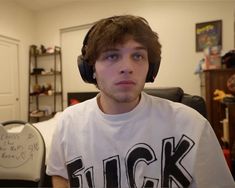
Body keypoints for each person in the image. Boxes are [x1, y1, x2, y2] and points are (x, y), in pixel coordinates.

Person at [46, 15, 235, 188]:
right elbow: (60, 176)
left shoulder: (192, 125)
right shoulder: (67, 123)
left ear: (150, 68)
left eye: (137, 56)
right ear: (90, 69)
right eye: (112, 56)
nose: (127, 67)